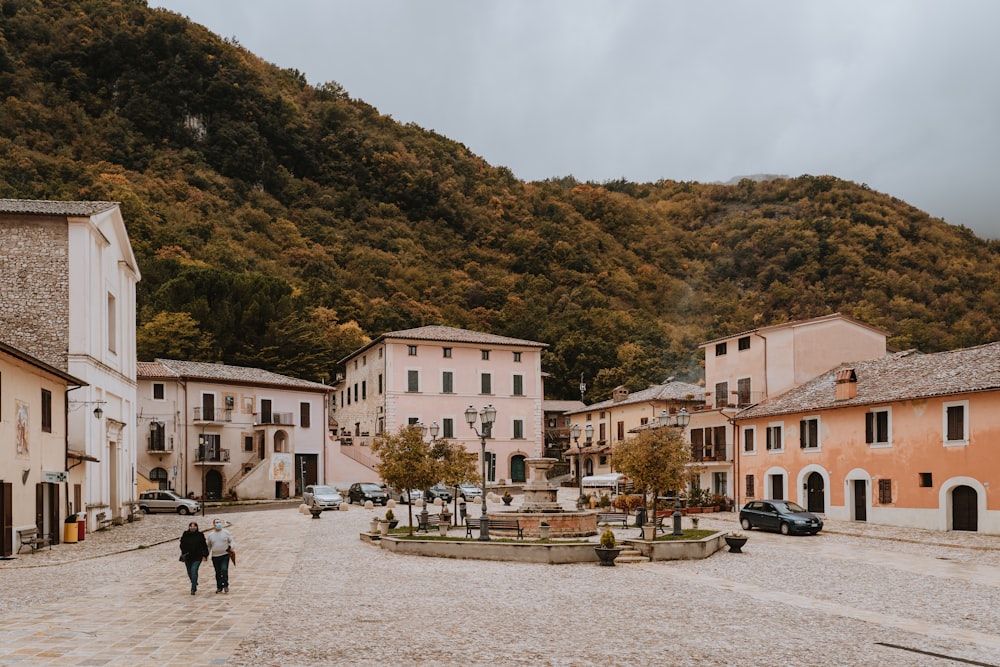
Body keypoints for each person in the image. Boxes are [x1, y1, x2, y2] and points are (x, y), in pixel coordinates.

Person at [205, 518, 235, 594]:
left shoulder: (226, 533)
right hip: (215, 556)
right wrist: (206, 554)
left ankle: (225, 585)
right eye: (216, 522)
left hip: (224, 555)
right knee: (218, 572)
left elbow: (232, 541)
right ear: (213, 524)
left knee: (224, 569)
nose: (218, 523)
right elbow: (209, 546)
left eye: (219, 522)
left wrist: (231, 547)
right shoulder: (211, 535)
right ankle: (219, 586)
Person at [179, 521, 209, 595]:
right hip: (188, 556)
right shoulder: (185, 534)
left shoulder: (200, 535)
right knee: (189, 572)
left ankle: (193, 588)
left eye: (194, 526)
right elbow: (182, 544)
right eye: (191, 526)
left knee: (194, 571)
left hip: (197, 556)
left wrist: (205, 555)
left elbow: (204, 545)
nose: (193, 528)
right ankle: (194, 582)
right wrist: (184, 552)